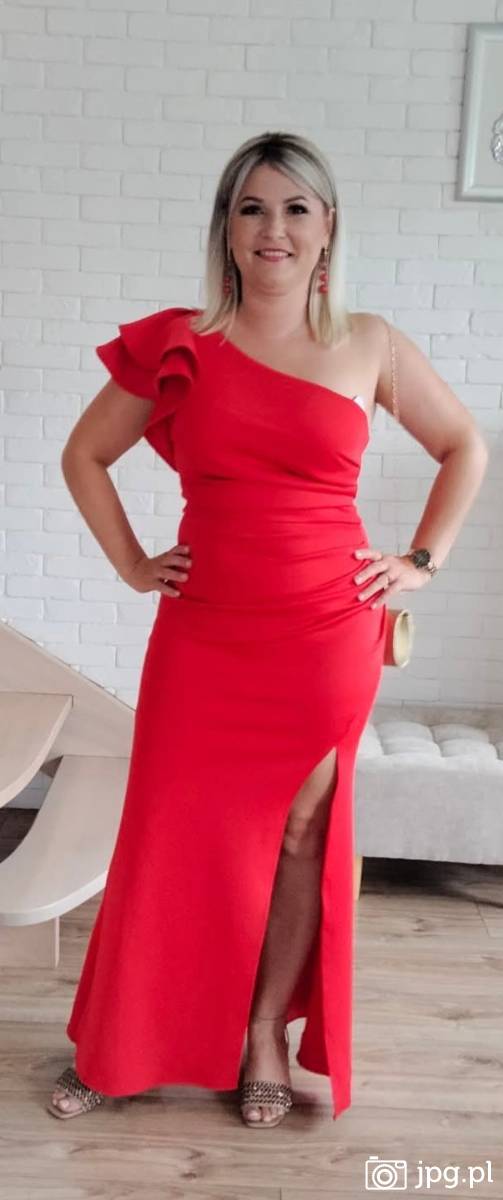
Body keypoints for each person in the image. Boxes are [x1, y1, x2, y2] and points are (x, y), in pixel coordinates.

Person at [47, 130, 489, 1128]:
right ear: (226, 228)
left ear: (327, 227)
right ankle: (117, 1045)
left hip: (325, 630)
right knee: (167, 831)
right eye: (252, 208)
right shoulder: (180, 341)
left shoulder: (369, 343)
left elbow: (463, 444)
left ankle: (261, 1037)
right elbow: (84, 455)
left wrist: (421, 559)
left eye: (295, 208)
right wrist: (131, 563)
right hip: (204, 631)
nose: (273, 228)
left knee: (298, 836)